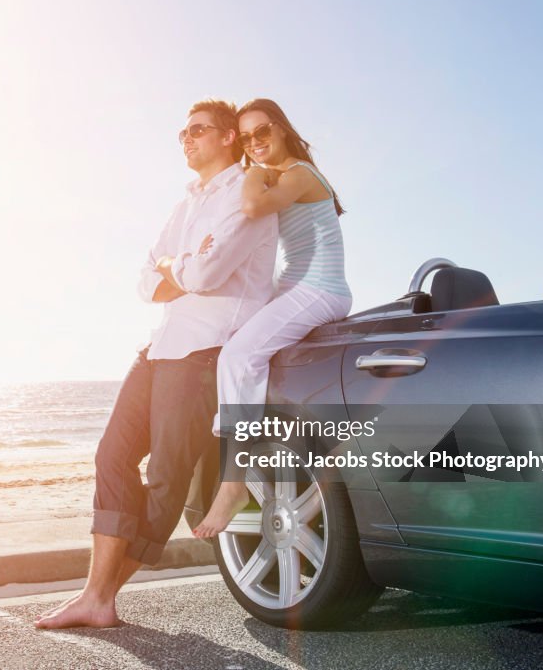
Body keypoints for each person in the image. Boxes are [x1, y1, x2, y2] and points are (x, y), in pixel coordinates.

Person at [35, 99, 276, 629]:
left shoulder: (249, 192)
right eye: (182, 133)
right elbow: (147, 281)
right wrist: (178, 267)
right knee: (111, 456)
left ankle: (101, 596)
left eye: (198, 130)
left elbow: (209, 274)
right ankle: (94, 596)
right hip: (159, 346)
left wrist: (180, 268)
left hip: (203, 350)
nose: (186, 139)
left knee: (167, 478)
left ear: (229, 137)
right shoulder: (187, 201)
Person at [193, 98, 353, 539]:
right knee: (230, 341)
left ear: (281, 129)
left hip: (320, 289)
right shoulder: (279, 176)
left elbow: (252, 208)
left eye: (262, 132)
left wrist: (255, 172)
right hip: (294, 286)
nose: (254, 143)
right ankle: (258, 451)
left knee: (239, 357)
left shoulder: (297, 174)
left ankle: (233, 482)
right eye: (245, 138)